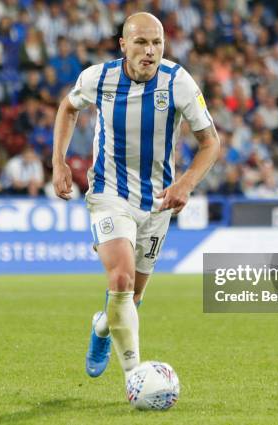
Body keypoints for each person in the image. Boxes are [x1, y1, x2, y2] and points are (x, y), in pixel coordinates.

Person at [52, 12, 220, 382]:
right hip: (109, 192)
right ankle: (135, 377)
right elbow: (68, 107)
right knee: (122, 279)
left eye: (157, 42)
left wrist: (186, 184)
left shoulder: (179, 82)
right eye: (141, 42)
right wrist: (58, 162)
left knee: (133, 298)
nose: (150, 50)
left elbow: (211, 142)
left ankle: (101, 327)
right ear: (123, 44)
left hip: (158, 201)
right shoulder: (98, 78)